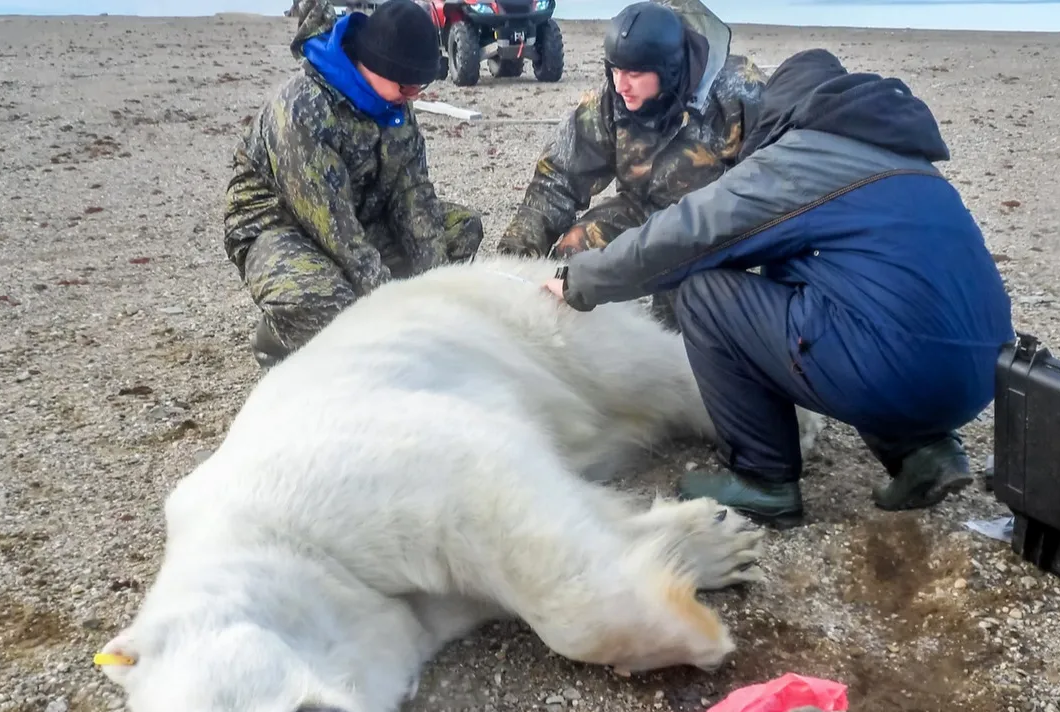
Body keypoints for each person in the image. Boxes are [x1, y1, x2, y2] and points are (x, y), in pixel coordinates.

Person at [540, 48, 1016, 525]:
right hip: (982, 375)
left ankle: (762, 477)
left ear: (786, 106)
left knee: (704, 293)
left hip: (896, 367)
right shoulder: (908, 162)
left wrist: (581, 280)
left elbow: (688, 233)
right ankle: (925, 452)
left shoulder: (804, 157)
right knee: (854, 291)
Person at [223, 0, 484, 369]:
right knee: (333, 304)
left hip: (359, 215)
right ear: (375, 63)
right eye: (407, 86)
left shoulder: (394, 105)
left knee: (461, 229)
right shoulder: (303, 106)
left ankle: (390, 326)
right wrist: (388, 301)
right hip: (280, 228)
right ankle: (277, 339)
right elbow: (332, 226)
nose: (414, 96)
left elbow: (413, 193)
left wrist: (436, 289)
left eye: (419, 86)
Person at [495, 0, 766, 328]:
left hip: (711, 225)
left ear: (670, 68)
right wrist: (517, 250)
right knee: (572, 257)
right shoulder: (613, 97)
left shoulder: (738, 91)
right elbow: (560, 176)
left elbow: (773, 179)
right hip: (641, 207)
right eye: (615, 69)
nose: (621, 84)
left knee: (687, 313)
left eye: (635, 74)